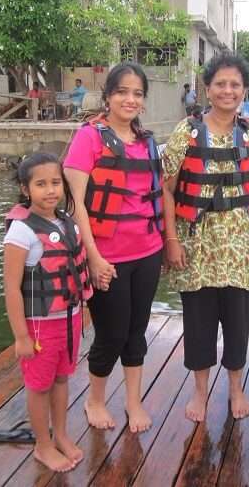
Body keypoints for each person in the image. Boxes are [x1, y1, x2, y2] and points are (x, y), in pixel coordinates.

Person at [162, 53, 249, 422]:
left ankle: (236, 386)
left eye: (235, 84)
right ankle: (199, 390)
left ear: (244, 90)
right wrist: (171, 240)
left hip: (243, 246)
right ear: (207, 89)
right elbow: (167, 190)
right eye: (220, 84)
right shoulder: (186, 132)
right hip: (196, 244)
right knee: (198, 321)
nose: (228, 90)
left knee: (238, 320)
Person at [64, 63, 163, 433]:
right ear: (107, 96)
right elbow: (76, 204)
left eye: (137, 93)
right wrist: (93, 256)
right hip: (107, 257)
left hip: (148, 252)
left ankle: (133, 401)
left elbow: (156, 194)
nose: (130, 99)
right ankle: (94, 400)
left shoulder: (147, 140)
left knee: (137, 331)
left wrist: (166, 244)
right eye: (122, 92)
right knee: (111, 333)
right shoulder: (89, 137)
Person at [3, 153, 91, 472]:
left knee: (62, 379)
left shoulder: (68, 222)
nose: (50, 190)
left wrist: (85, 309)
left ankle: (62, 434)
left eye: (55, 183)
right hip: (39, 326)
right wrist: (21, 336)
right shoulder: (22, 232)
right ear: (26, 190)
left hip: (69, 319)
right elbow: (12, 288)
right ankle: (42, 445)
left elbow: (76, 270)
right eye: (41, 184)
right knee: (39, 386)